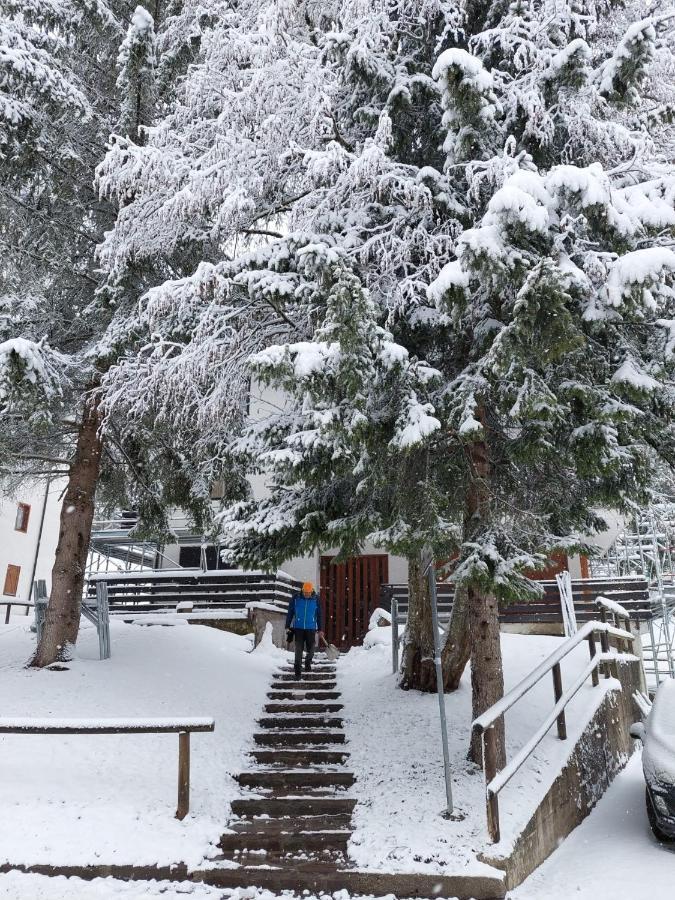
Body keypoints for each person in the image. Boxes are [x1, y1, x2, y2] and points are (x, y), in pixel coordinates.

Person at [286, 582, 324, 679]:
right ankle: (297, 671)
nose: (307, 594)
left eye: (308, 593)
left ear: (312, 591)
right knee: (298, 649)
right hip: (298, 628)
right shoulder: (296, 598)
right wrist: (288, 625)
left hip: (311, 628)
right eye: (305, 592)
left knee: (311, 649)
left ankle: (308, 661)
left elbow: (319, 615)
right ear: (302, 590)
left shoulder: (316, 599)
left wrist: (320, 629)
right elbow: (290, 612)